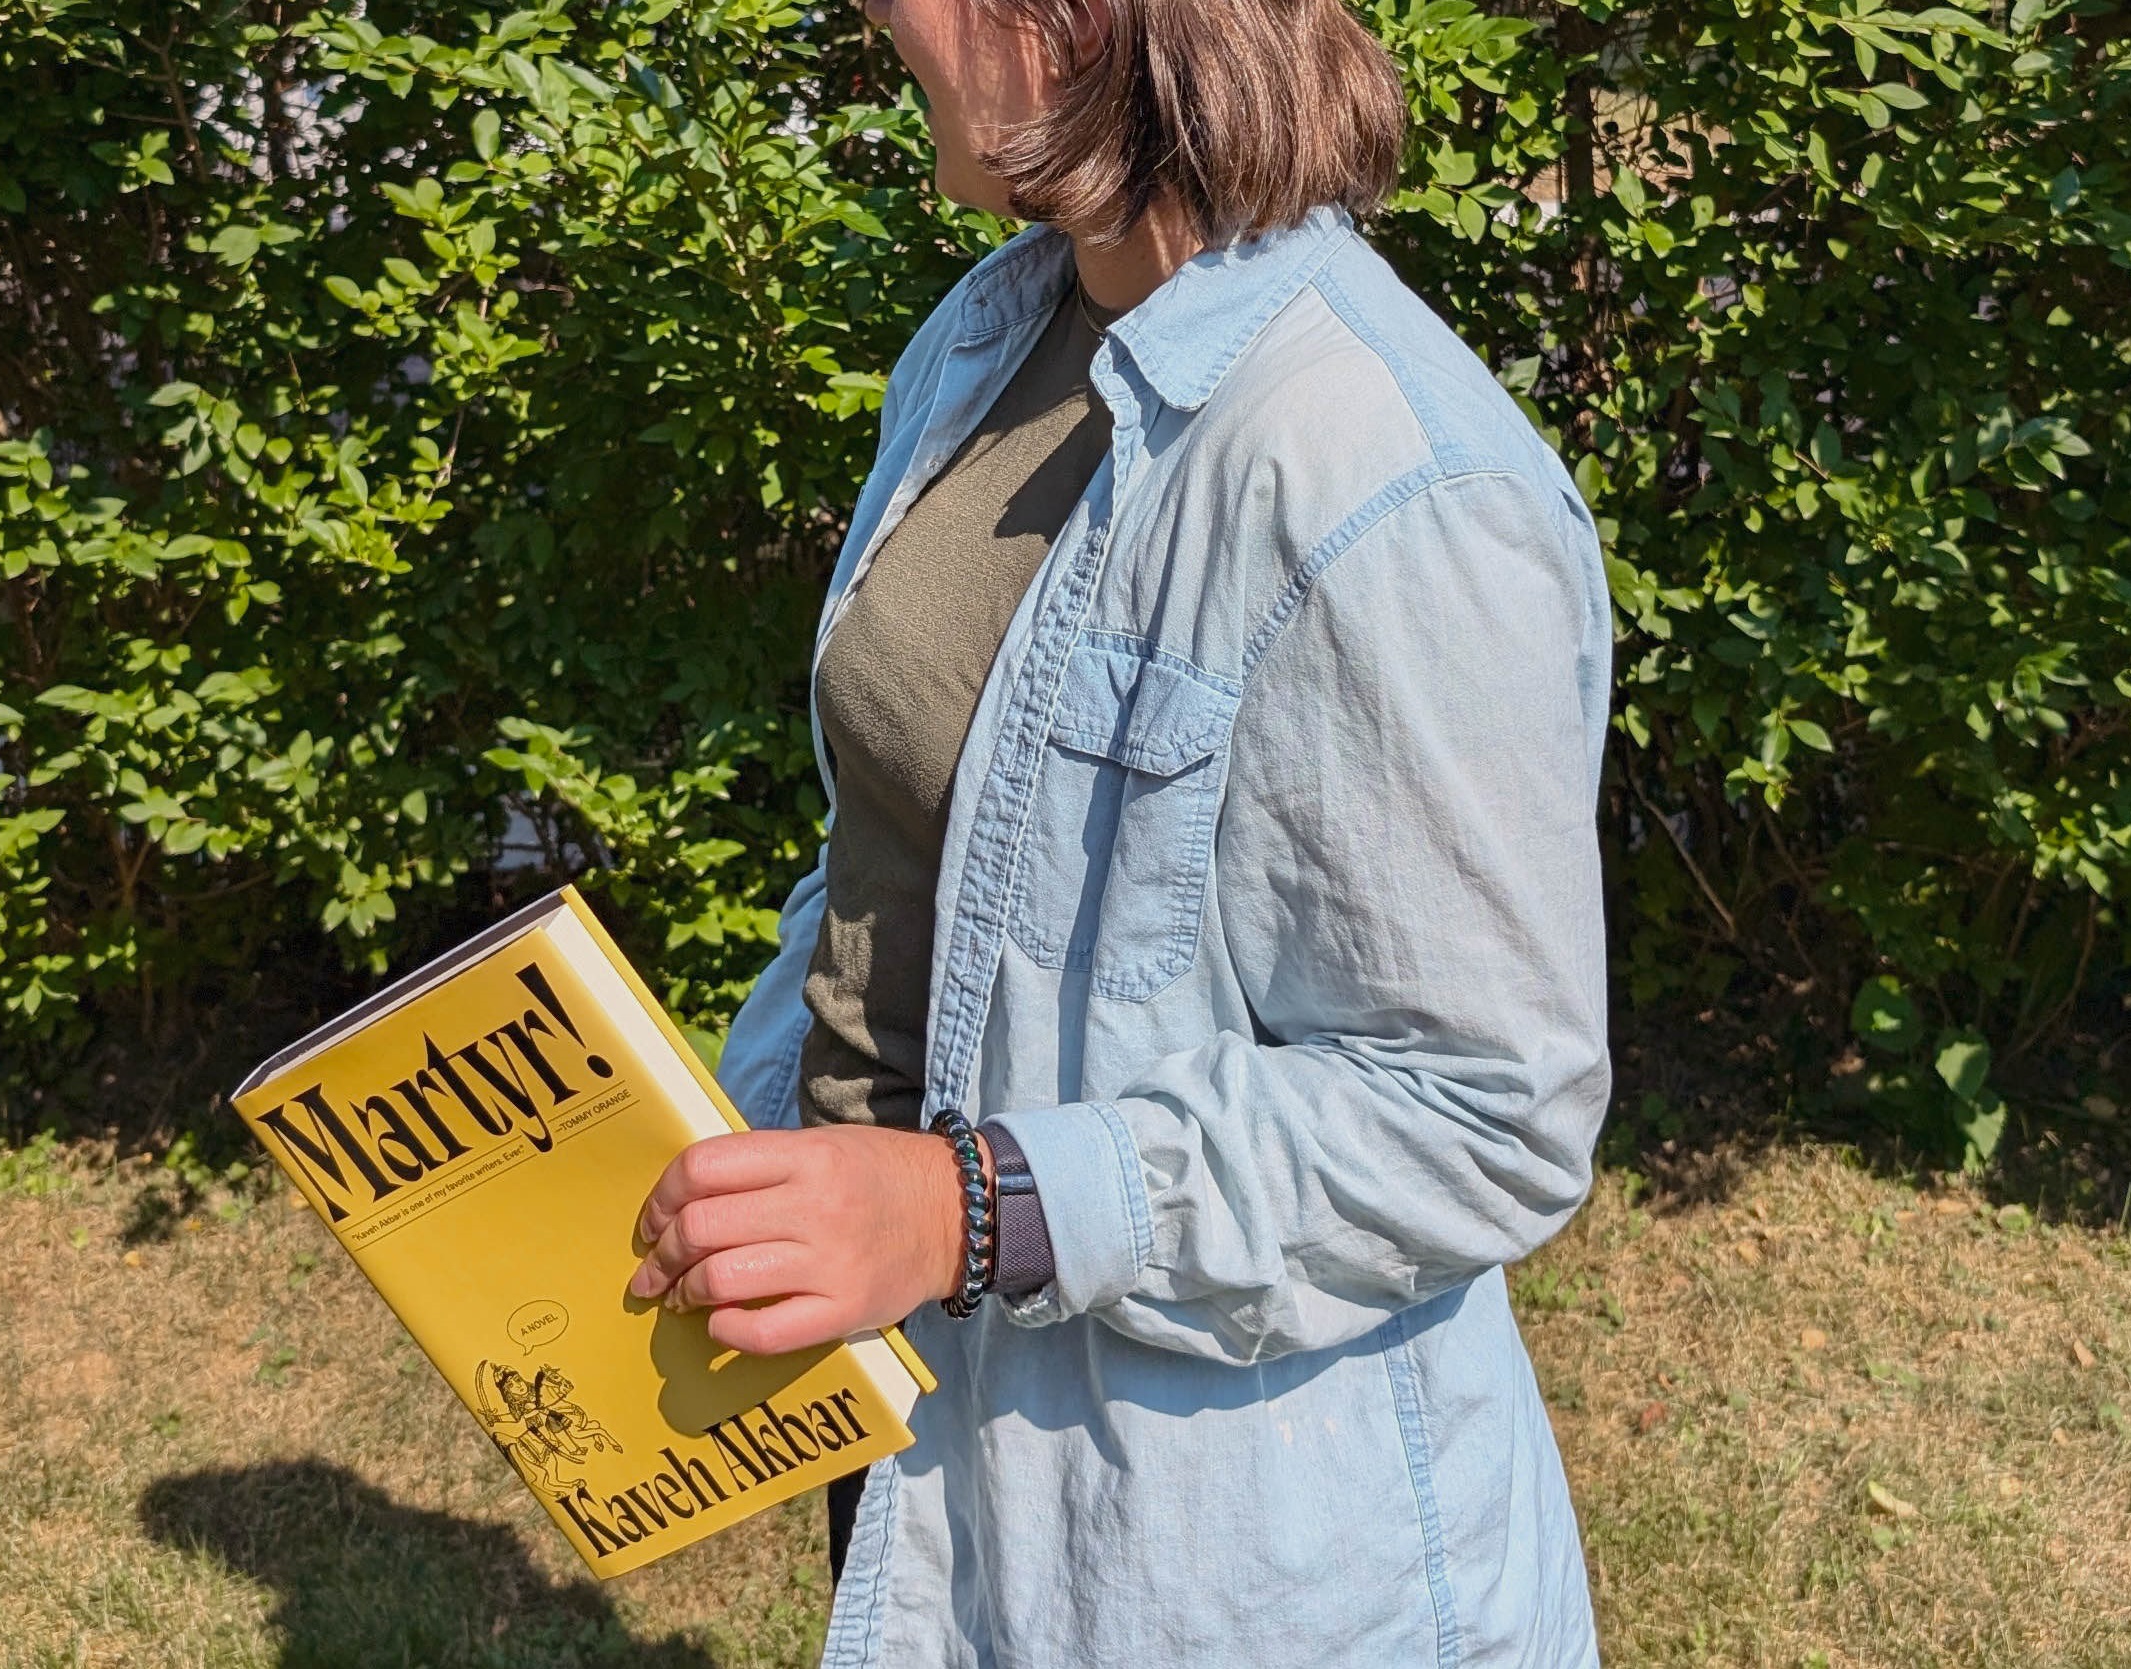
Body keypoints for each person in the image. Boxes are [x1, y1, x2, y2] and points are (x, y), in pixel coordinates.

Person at [625, 1, 1613, 1661]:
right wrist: (748, 1134)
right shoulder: (987, 339)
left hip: (1200, 1543)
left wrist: (963, 1208)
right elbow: (910, 829)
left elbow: (1480, 1113)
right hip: (925, 1418)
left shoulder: (1392, 480)